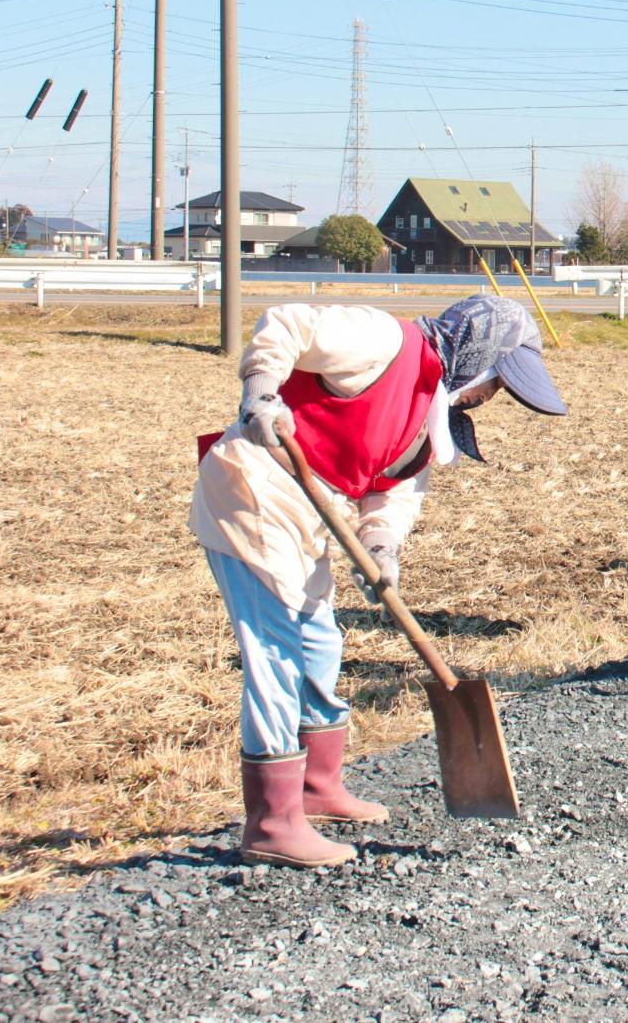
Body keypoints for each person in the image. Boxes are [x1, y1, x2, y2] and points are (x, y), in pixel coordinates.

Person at [192, 294, 566, 868]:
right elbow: (288, 324)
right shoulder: (383, 343)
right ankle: (271, 820)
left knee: (320, 641)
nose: (492, 399)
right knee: (278, 650)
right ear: (481, 357)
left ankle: (318, 785)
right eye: (497, 384)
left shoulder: (429, 418)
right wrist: (262, 391)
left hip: (307, 515)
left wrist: (383, 548)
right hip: (252, 489)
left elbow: (391, 495)